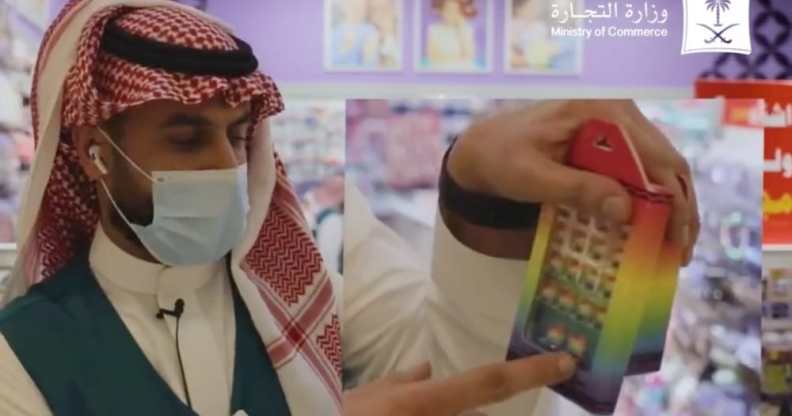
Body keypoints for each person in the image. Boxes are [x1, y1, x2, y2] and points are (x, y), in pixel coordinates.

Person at [0, 1, 699, 416]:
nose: (224, 167)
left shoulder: (310, 276)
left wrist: (478, 195)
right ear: (94, 152)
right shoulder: (21, 354)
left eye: (240, 136)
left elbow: (468, 386)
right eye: (186, 137)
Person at [426, 0, 478, 70]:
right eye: (448, 10)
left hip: (462, 68)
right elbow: (431, 57)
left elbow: (470, 56)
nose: (452, 14)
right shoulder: (434, 30)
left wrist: (460, 30)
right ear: (441, 11)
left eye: (456, 10)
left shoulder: (466, 29)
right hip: (440, 68)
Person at [331, 0, 380, 68]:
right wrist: (344, 49)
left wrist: (368, 54)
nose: (356, 9)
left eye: (360, 6)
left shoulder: (370, 31)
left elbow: (371, 63)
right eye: (352, 5)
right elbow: (331, 61)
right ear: (344, 6)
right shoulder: (335, 32)